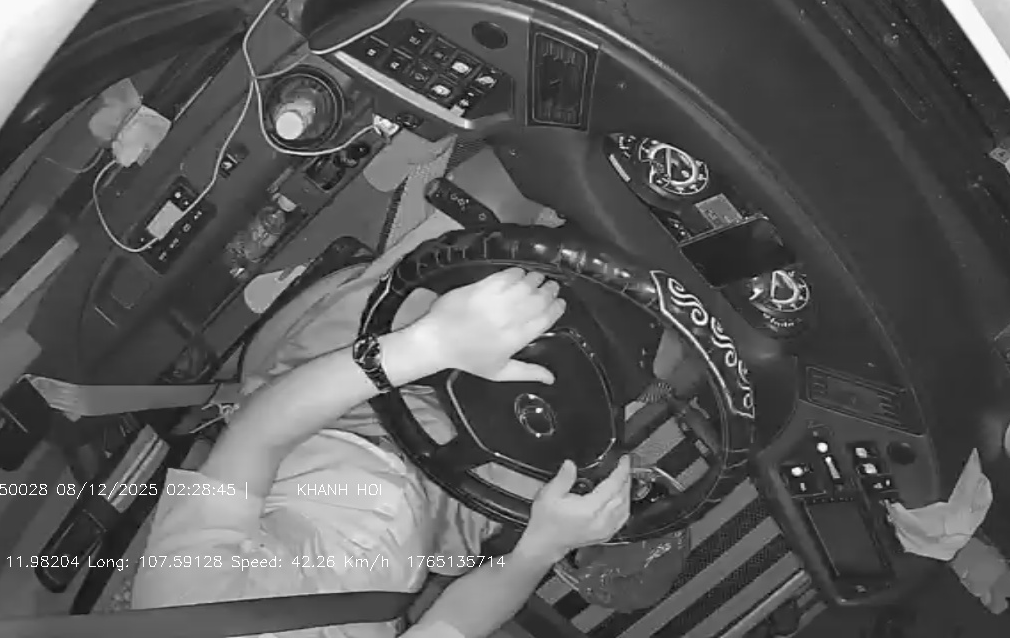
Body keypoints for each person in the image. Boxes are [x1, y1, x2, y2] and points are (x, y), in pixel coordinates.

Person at [131, 263, 634, 638]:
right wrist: (542, 547)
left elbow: (257, 436)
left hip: (334, 409)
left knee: (488, 256)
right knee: (603, 415)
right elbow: (455, 623)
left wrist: (429, 345)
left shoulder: (179, 608)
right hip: (443, 511)